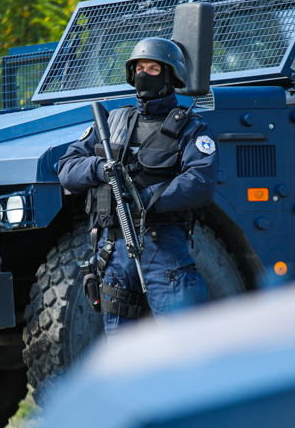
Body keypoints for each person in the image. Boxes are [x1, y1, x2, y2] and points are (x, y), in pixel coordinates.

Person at [58, 37, 218, 336]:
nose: (144, 73)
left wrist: (143, 200)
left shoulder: (190, 128)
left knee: (184, 347)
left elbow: (200, 182)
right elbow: (67, 170)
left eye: (153, 68)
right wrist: (100, 168)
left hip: (163, 249)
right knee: (122, 355)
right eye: (139, 67)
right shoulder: (113, 122)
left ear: (170, 75)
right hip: (113, 254)